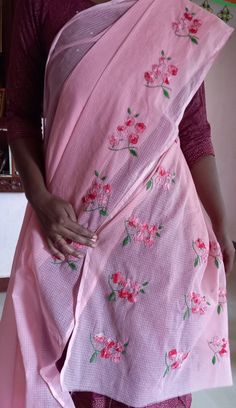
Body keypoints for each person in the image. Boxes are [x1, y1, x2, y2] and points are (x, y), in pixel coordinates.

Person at [0, 0, 235, 407]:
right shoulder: (39, 5)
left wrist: (219, 222)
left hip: (161, 243)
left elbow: (194, 132)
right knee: (74, 376)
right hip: (74, 241)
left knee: (151, 386)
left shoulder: (172, 10)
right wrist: (39, 199)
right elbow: (20, 115)